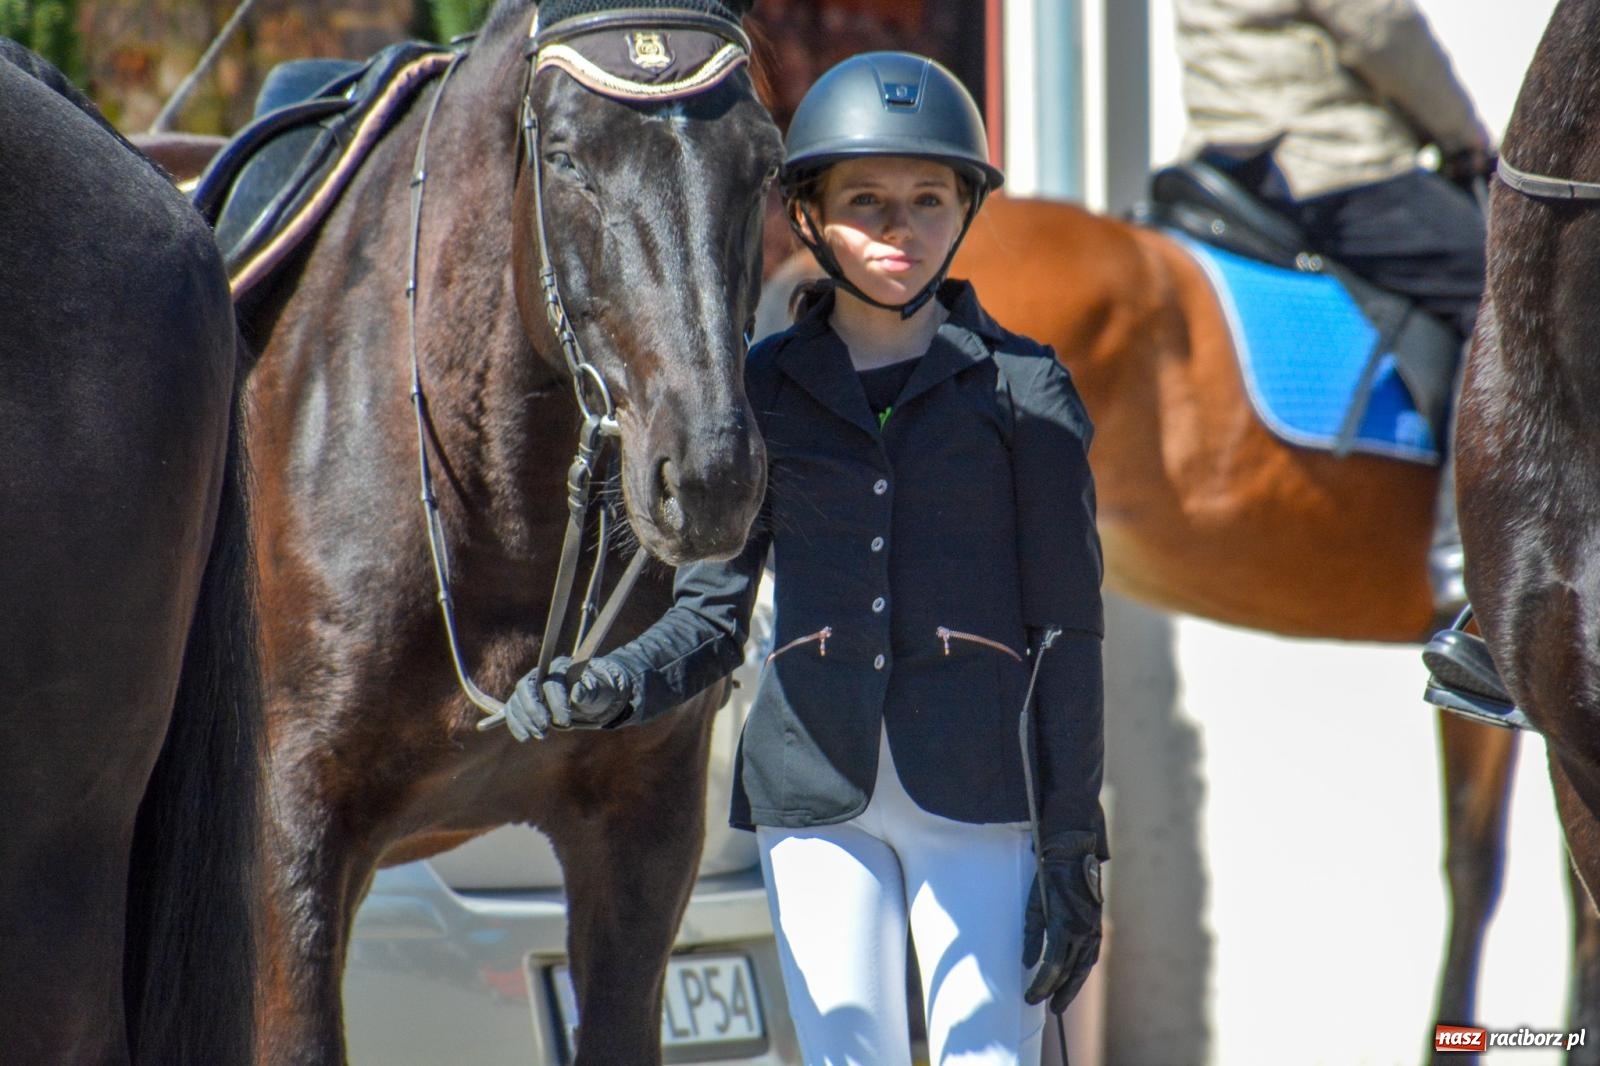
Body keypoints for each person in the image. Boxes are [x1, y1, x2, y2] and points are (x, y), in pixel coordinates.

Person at [502, 51, 1108, 1065]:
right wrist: (604, 684)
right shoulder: (762, 392)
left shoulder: (1024, 392)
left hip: (981, 795)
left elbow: (1067, 637)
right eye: (865, 201)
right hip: (810, 794)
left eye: (927, 199)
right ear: (810, 216)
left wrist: (1072, 848)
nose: (898, 228)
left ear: (965, 208)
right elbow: (707, 621)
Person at [1173, 0, 1511, 710]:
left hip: (1236, 148)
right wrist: (1462, 136)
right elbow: (1379, 25)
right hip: (1326, 160)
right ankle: (1469, 567)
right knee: (1509, 301)